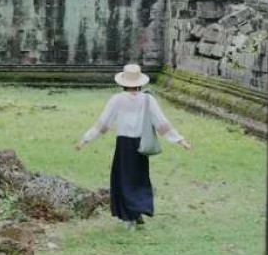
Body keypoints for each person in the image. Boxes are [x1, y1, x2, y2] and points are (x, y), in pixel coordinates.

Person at [74, 62, 191, 229]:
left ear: (123, 82)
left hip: (124, 145)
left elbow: (102, 125)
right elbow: (162, 124)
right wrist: (180, 140)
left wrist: (85, 139)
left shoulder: (117, 100)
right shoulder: (148, 100)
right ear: (140, 82)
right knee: (139, 179)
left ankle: (129, 216)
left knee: (123, 180)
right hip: (140, 144)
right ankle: (137, 212)